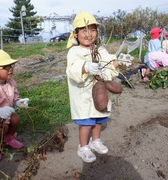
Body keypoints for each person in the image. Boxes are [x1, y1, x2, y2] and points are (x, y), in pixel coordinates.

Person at [66, 11, 122, 163]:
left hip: (99, 92)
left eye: (92, 30)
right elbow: (72, 69)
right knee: (86, 122)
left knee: (99, 119)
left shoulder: (101, 50)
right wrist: (86, 67)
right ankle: (83, 147)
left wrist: (120, 61)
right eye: (83, 30)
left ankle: (95, 141)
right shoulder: (74, 51)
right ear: (75, 34)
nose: (88, 34)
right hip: (83, 95)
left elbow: (110, 64)